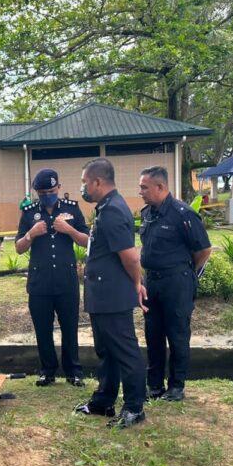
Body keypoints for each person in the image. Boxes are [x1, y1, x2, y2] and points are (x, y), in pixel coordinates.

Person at [74, 158, 147, 429]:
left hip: (113, 295)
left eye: (84, 182)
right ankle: (103, 400)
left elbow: (130, 257)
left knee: (125, 352)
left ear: (97, 182)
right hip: (102, 295)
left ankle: (134, 407)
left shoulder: (114, 210)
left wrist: (137, 284)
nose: (83, 188)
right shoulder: (105, 208)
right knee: (107, 352)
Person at [138, 166, 212, 402]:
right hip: (153, 282)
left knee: (177, 335)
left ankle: (176, 386)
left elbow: (204, 250)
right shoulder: (147, 213)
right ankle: (155, 385)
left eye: (144, 187)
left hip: (176, 283)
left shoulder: (183, 214)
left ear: (160, 187)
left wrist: (186, 274)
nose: (140, 191)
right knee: (153, 334)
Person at [16, 168, 90, 387]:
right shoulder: (29, 213)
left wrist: (69, 230)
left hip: (66, 281)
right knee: (43, 329)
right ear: (37, 193)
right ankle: (47, 371)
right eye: (42, 192)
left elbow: (87, 241)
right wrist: (31, 234)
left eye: (51, 190)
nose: (47, 194)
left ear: (59, 187)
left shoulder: (72, 209)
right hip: (40, 283)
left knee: (70, 327)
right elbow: (19, 248)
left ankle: (73, 371)